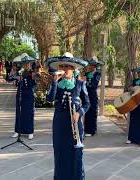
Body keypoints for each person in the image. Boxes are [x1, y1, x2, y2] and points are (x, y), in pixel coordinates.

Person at [46, 52, 90, 180]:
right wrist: (54, 82)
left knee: (76, 153)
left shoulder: (80, 84)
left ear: (73, 69)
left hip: (75, 123)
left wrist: (79, 113)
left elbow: (87, 103)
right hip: (60, 122)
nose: (64, 69)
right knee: (60, 151)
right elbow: (49, 99)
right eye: (62, 66)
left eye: (67, 66)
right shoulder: (56, 83)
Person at [9, 53, 40, 140]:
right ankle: (17, 131)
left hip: (29, 94)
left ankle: (30, 131)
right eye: (24, 63)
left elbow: (36, 80)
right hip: (20, 93)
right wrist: (13, 71)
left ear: (29, 63)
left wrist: (35, 75)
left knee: (29, 113)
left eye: (27, 63)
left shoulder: (32, 72)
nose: (26, 64)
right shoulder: (19, 72)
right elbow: (9, 79)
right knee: (19, 112)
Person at [83, 56, 104, 137]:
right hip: (86, 94)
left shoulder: (98, 74)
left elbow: (94, 84)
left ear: (95, 66)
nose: (91, 66)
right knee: (87, 111)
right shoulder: (87, 74)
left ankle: (92, 130)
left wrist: (87, 82)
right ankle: (86, 129)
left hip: (93, 95)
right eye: (90, 65)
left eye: (93, 65)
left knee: (93, 111)